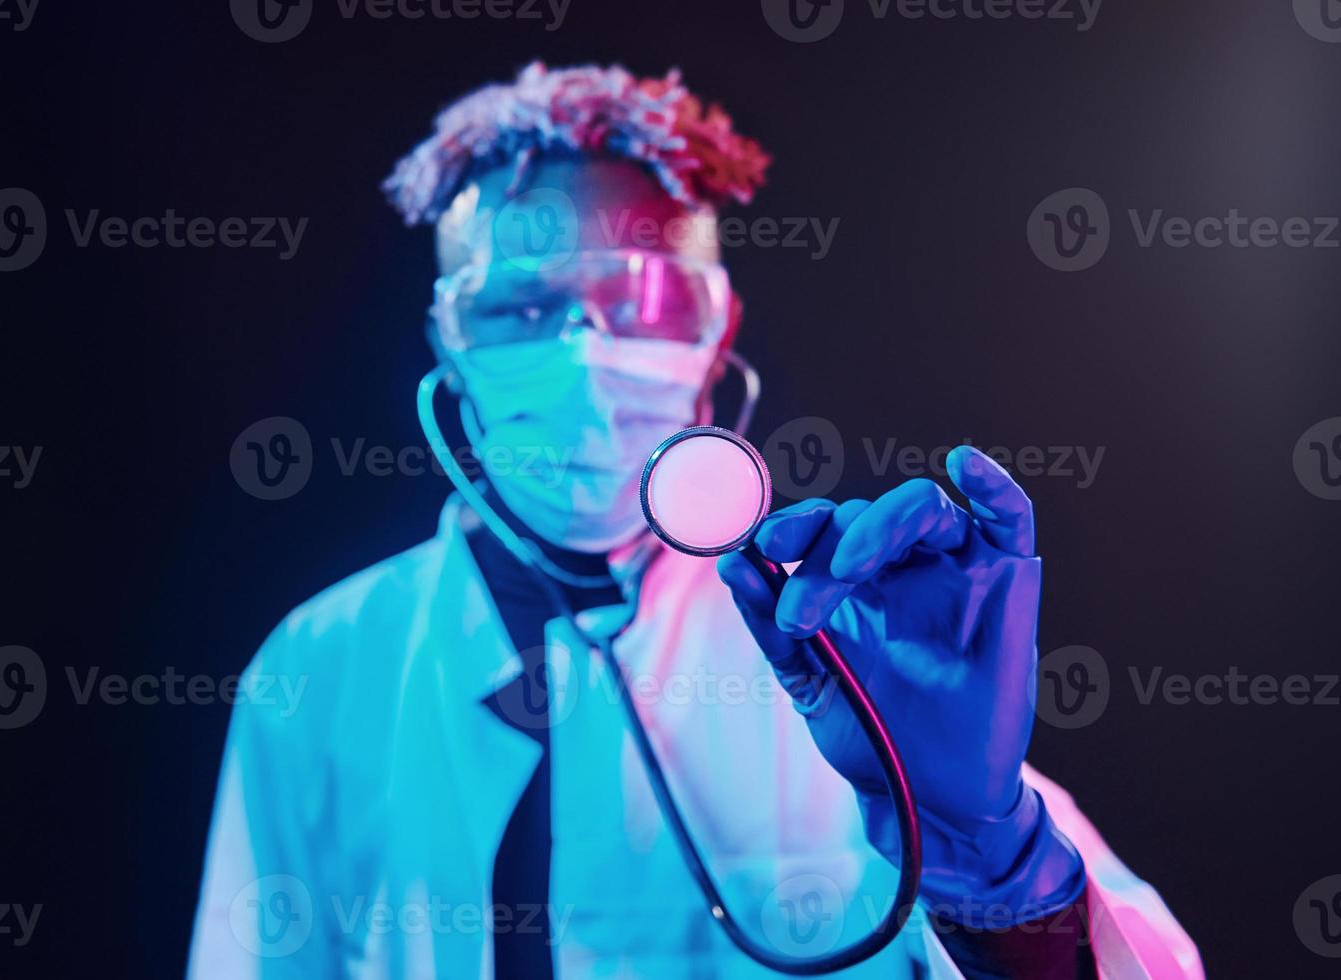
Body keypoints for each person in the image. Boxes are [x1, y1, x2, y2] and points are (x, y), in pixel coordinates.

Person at [188, 62, 1202, 979]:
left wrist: (984, 847)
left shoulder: (841, 643)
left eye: (644, 297)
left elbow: (1132, 965)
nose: (585, 350)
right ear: (447, 341)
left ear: (716, 332)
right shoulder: (320, 666)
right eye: (522, 306)